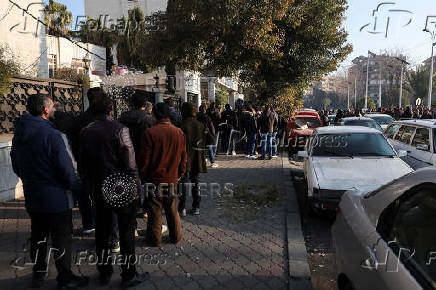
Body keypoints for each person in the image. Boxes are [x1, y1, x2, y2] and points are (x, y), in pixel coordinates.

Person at [11, 94, 89, 290]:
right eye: (53, 106)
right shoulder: (53, 135)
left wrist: (30, 180)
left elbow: (16, 165)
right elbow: (66, 169)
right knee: (62, 239)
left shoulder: (20, 134)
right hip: (56, 198)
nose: (55, 109)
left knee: (38, 236)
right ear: (45, 110)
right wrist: (77, 186)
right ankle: (65, 277)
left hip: (33, 195)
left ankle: (38, 274)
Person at [79, 94, 147, 288]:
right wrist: (136, 187)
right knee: (126, 231)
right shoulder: (120, 129)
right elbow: (131, 164)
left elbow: (82, 164)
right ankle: (128, 274)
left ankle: (105, 271)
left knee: (102, 231)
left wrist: (90, 185)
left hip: (100, 186)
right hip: (121, 185)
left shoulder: (85, 131)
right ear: (111, 110)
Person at [138, 102, 186, 247]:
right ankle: (176, 237)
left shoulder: (150, 133)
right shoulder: (179, 132)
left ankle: (154, 239)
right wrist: (180, 174)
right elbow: (184, 157)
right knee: (172, 210)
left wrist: (143, 177)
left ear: (154, 114)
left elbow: (144, 160)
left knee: (155, 211)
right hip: (172, 178)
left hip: (154, 179)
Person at [179, 102, 208, 216]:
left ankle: (182, 208)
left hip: (185, 159)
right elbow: (209, 139)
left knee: (183, 184)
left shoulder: (181, 125)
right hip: (197, 159)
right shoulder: (200, 125)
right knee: (196, 184)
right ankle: (196, 207)